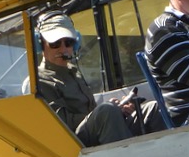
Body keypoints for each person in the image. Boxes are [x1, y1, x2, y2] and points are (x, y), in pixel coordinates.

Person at [35, 12, 137, 146]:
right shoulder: (39, 81)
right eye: (55, 43)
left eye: (69, 42)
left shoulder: (74, 72)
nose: (63, 48)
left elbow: (93, 112)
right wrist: (104, 112)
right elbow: (61, 123)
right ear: (40, 43)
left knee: (150, 109)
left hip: (93, 131)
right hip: (74, 144)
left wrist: (116, 109)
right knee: (107, 111)